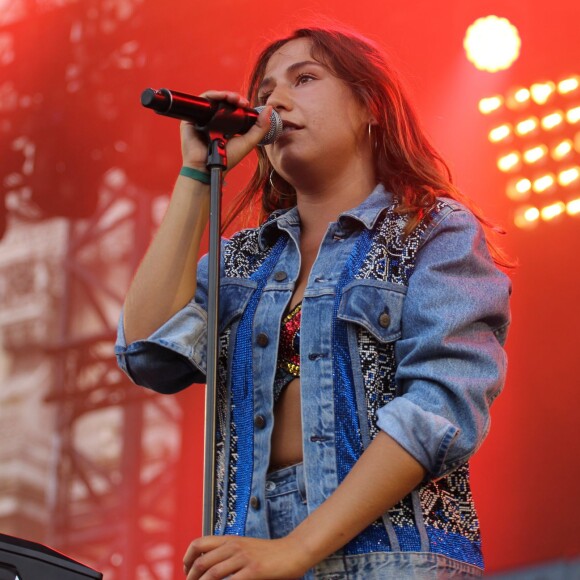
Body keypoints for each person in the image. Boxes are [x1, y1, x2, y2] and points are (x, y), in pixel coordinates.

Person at [115, 26, 511, 579]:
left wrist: (299, 549)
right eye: (265, 92)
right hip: (249, 553)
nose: (274, 102)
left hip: (392, 555)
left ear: (371, 105)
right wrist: (195, 175)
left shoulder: (432, 229)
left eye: (305, 79)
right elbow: (145, 353)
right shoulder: (242, 260)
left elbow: (439, 408)